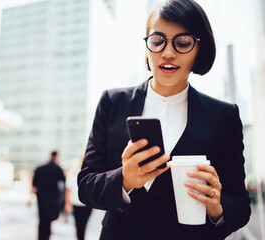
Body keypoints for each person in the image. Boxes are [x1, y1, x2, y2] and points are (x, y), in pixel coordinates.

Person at [77, 0, 251, 239]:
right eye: (158, 41)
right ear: (147, 47)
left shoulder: (224, 116)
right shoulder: (112, 102)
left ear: (200, 49)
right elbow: (86, 187)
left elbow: (241, 205)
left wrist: (217, 208)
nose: (168, 52)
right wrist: (124, 179)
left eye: (183, 42)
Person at [32, 150, 66, 240]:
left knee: (42, 220)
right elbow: (63, 181)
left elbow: (34, 185)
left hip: (41, 198)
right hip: (53, 198)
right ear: (56, 156)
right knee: (49, 219)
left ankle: (41, 237)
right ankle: (46, 237)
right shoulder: (57, 168)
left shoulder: (40, 167)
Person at [65, 157, 92, 240]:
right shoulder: (73, 172)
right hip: (76, 203)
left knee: (83, 224)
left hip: (87, 204)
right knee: (78, 224)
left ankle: (81, 238)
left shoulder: (90, 172)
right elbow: (68, 189)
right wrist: (68, 203)